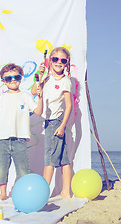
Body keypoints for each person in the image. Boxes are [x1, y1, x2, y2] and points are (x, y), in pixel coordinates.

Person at [0, 63, 43, 200]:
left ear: (21, 78)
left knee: (23, 170)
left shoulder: (26, 96)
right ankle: (3, 193)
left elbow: (39, 111)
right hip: (2, 139)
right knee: (1, 168)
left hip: (20, 139)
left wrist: (41, 97)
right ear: (3, 81)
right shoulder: (1, 98)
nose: (13, 80)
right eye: (8, 78)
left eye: (16, 77)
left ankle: (22, 192)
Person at [31, 47, 72, 198]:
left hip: (56, 121)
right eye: (55, 59)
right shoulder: (46, 78)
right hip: (50, 120)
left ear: (67, 63)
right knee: (63, 158)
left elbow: (69, 106)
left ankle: (43, 193)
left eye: (63, 60)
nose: (59, 62)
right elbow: (34, 91)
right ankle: (66, 192)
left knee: (49, 158)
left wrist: (62, 126)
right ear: (49, 61)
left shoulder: (65, 81)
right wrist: (40, 75)